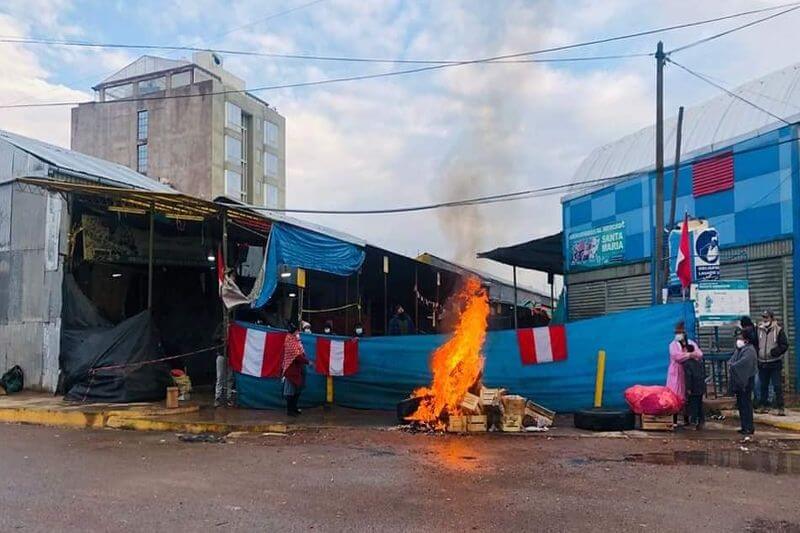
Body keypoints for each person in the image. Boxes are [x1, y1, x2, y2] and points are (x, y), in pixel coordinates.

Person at [756, 310, 789, 416]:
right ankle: (764, 405)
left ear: (772, 318)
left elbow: (784, 345)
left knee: (777, 386)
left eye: (767, 317)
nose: (765, 319)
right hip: (762, 362)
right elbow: (756, 342)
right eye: (763, 317)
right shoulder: (759, 330)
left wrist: (776, 352)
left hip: (774, 362)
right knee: (763, 385)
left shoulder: (778, 330)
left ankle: (780, 407)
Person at [729, 327, 758, 435]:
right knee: (741, 404)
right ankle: (744, 426)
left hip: (746, 381)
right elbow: (732, 361)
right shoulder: (740, 350)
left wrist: (733, 366)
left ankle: (749, 427)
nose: (739, 340)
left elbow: (743, 364)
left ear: (746, 340)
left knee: (746, 404)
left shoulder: (749, 350)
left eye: (741, 338)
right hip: (739, 382)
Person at [667, 321, 703, 403]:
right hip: (676, 371)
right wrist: (690, 355)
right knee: (675, 392)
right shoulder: (673, 345)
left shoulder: (690, 343)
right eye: (676, 333)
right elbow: (677, 356)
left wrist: (690, 354)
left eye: (680, 333)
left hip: (688, 371)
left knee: (687, 391)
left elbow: (699, 354)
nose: (678, 335)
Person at [282, 322, 309, 417]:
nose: (298, 332)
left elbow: (300, 352)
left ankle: (294, 408)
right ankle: (290, 410)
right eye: (296, 331)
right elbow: (297, 356)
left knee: (297, 389)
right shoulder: (289, 341)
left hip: (298, 369)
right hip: (291, 369)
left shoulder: (297, 341)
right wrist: (308, 362)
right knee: (290, 391)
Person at [681, 333, 706, 430]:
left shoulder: (687, 364)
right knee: (700, 404)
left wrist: (688, 388)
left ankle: (693, 423)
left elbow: (689, 377)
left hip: (694, 387)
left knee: (693, 405)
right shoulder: (698, 363)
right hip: (700, 386)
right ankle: (701, 421)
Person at [213, 322, 233, 408]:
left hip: (231, 356)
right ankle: (217, 398)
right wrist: (222, 338)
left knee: (230, 378)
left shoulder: (234, 327)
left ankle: (228, 397)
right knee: (220, 377)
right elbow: (214, 337)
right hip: (221, 355)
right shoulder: (221, 326)